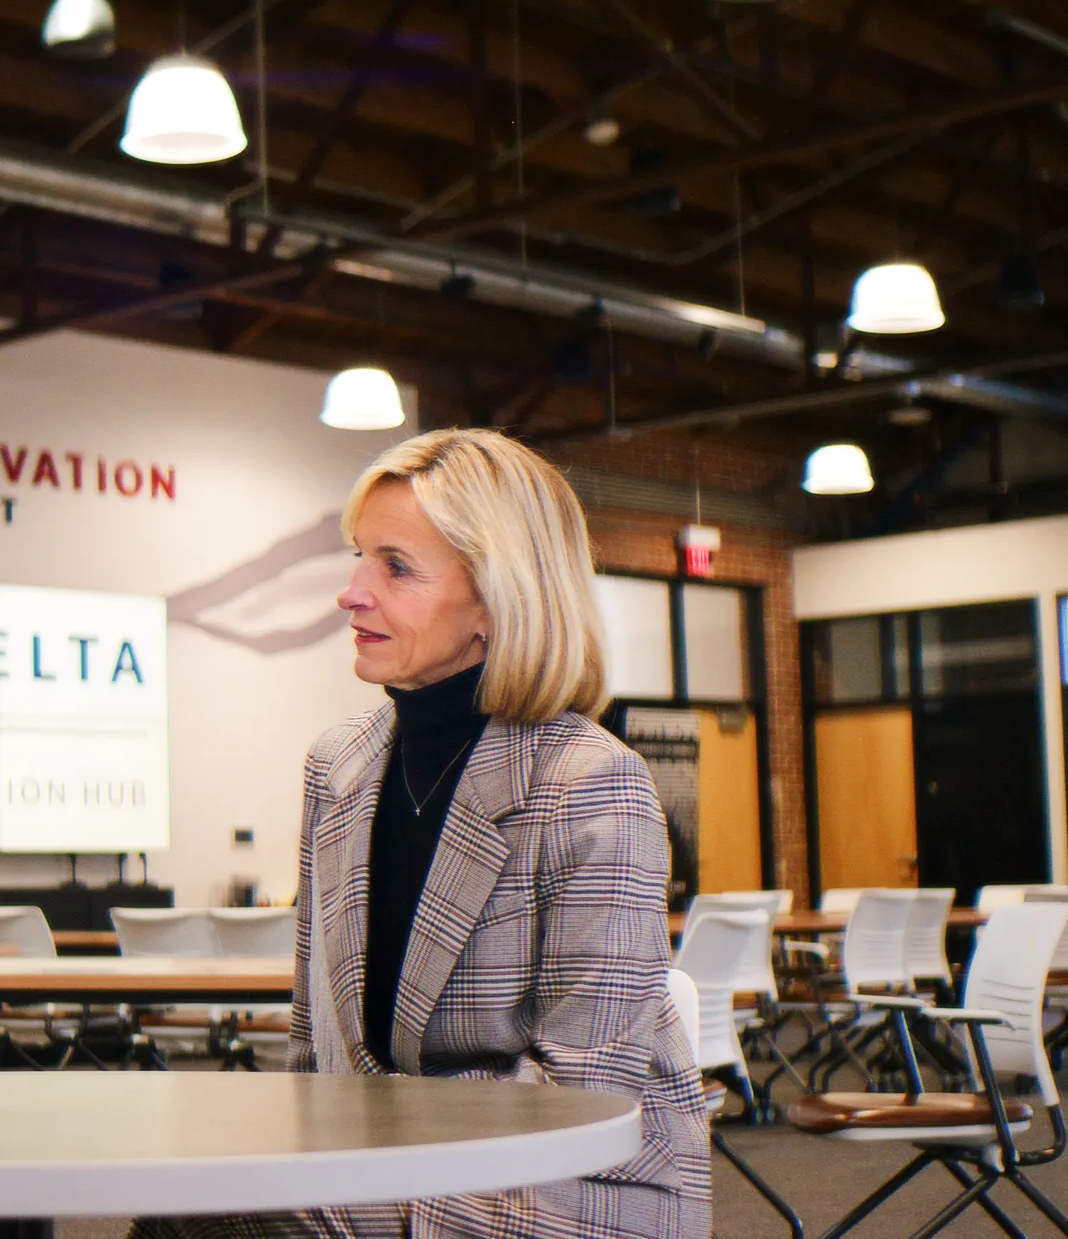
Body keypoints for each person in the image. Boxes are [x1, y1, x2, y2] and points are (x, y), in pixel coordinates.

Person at [143, 428, 710, 1239]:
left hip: (553, 1187)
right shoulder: (335, 767)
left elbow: (589, 1096)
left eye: (396, 566)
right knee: (192, 1206)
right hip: (374, 1168)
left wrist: (361, 1186)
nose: (350, 592)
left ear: (494, 597)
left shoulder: (591, 784)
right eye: (357, 556)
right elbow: (314, 1051)